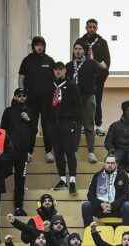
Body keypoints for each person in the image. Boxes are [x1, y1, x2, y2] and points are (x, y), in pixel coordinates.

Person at [19, 36, 55, 162]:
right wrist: (22, 94)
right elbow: (21, 78)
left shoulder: (50, 61)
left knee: (47, 126)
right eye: (37, 45)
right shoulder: (27, 60)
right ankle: (29, 152)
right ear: (33, 46)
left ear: (44, 46)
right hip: (31, 100)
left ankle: (49, 152)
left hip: (47, 100)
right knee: (31, 126)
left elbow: (55, 80)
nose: (39, 47)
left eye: (41, 45)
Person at [47, 62, 82, 195]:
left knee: (69, 151)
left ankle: (72, 180)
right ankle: (62, 179)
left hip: (68, 123)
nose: (58, 72)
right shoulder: (51, 87)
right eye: (56, 70)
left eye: (60, 70)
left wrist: (75, 124)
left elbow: (78, 105)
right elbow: (47, 106)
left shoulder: (72, 85)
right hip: (54, 124)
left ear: (65, 71)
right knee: (58, 152)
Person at [66, 41, 103, 163]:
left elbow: (101, 74)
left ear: (84, 51)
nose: (77, 51)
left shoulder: (91, 63)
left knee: (89, 125)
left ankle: (91, 152)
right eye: (75, 48)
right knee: (75, 126)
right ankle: (74, 152)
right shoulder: (69, 66)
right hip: (74, 100)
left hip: (88, 97)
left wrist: (93, 87)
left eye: (80, 49)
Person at [75, 19, 111, 135]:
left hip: (97, 79)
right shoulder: (80, 41)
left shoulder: (102, 42)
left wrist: (101, 72)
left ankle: (98, 125)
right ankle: (81, 125)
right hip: (82, 79)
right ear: (86, 28)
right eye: (89, 27)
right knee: (81, 102)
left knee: (97, 101)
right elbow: (74, 59)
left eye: (94, 27)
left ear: (96, 28)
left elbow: (107, 62)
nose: (91, 29)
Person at [0, 89, 32, 216]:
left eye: (24, 95)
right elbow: (2, 130)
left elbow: (32, 132)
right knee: (4, 173)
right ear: (14, 96)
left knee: (20, 179)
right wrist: (0, 149)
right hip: (9, 151)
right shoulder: (8, 111)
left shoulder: (29, 112)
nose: (22, 98)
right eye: (19, 95)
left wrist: (30, 150)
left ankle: (18, 207)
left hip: (23, 153)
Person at [81, 155, 129, 226]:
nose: (110, 165)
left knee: (127, 205)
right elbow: (90, 195)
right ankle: (90, 232)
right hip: (101, 209)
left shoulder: (123, 175)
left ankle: (126, 234)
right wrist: (101, 204)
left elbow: (127, 195)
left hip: (117, 209)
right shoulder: (97, 176)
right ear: (104, 164)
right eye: (108, 163)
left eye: (112, 163)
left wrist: (112, 205)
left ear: (116, 164)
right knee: (86, 205)